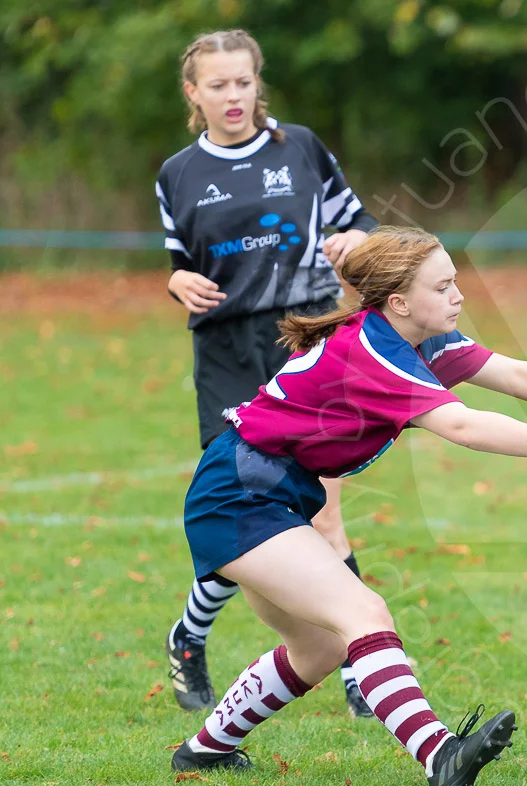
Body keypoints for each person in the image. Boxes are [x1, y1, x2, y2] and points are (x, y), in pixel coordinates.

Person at [169, 226, 527, 786]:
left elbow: (518, 376)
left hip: (265, 493)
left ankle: (203, 751)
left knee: (322, 646)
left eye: (456, 281)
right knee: (365, 612)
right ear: (400, 302)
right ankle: (440, 756)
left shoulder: (421, 337)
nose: (459, 295)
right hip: (238, 495)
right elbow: (458, 424)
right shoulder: (375, 349)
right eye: (444, 285)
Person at [156, 29, 378, 715]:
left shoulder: (302, 149)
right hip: (227, 349)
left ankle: (358, 671)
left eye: (243, 82)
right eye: (217, 85)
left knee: (324, 506)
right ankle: (189, 637)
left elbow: (361, 226)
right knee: (240, 508)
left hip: (305, 338)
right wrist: (179, 284)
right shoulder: (176, 173)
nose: (233, 96)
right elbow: (179, 266)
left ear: (259, 84)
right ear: (193, 93)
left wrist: (355, 242)